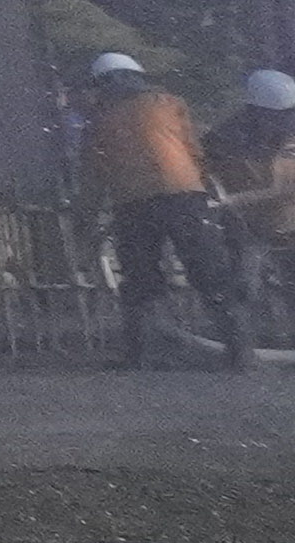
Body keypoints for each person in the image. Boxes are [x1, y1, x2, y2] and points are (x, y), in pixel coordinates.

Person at [80, 49, 249, 372]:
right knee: (209, 272)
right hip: (184, 196)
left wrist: (87, 217)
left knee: (140, 280)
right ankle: (239, 352)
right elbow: (193, 149)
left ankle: (141, 354)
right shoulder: (169, 104)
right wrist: (207, 187)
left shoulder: (99, 120)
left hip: (133, 204)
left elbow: (93, 173)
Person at [208, 68, 295, 337]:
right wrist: (218, 192)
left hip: (287, 223)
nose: (283, 121)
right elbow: (205, 168)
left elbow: (284, 189)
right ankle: (244, 340)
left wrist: (231, 200)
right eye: (275, 116)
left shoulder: (290, 138)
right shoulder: (224, 138)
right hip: (247, 228)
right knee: (246, 285)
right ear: (255, 112)